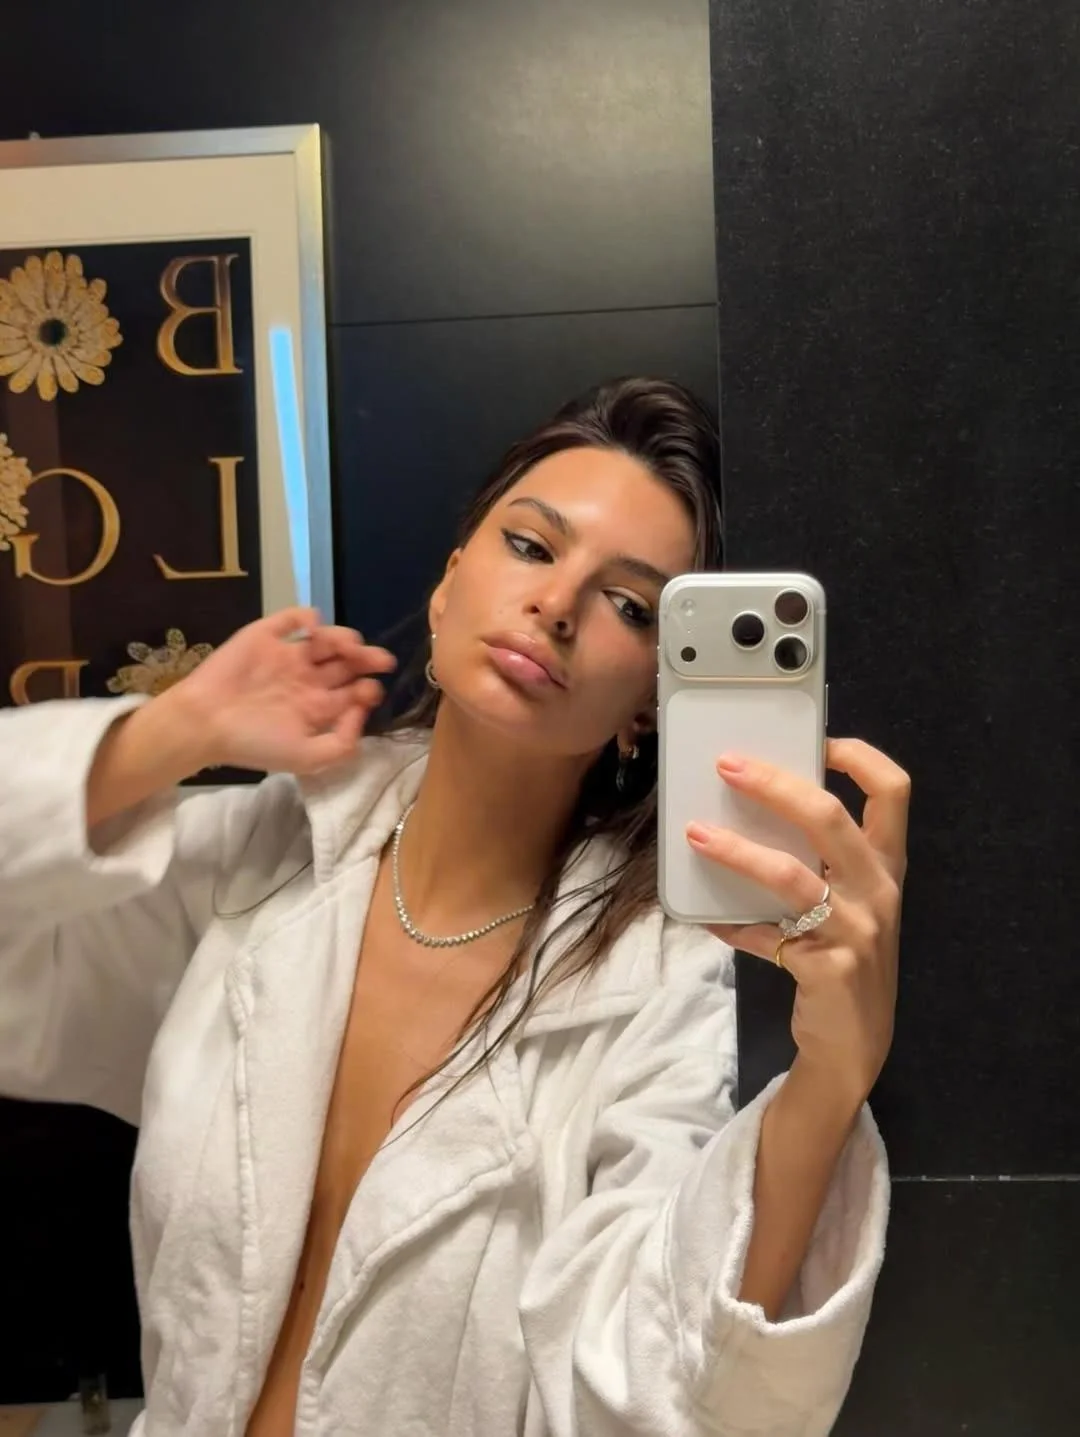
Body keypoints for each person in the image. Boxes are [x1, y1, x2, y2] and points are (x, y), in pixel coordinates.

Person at [0, 378, 907, 1437]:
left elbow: (653, 1380)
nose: (557, 604)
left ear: (649, 705)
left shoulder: (657, 988)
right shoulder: (262, 862)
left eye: (629, 605)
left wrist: (833, 1077)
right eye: (531, 545)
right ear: (447, 586)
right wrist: (171, 733)